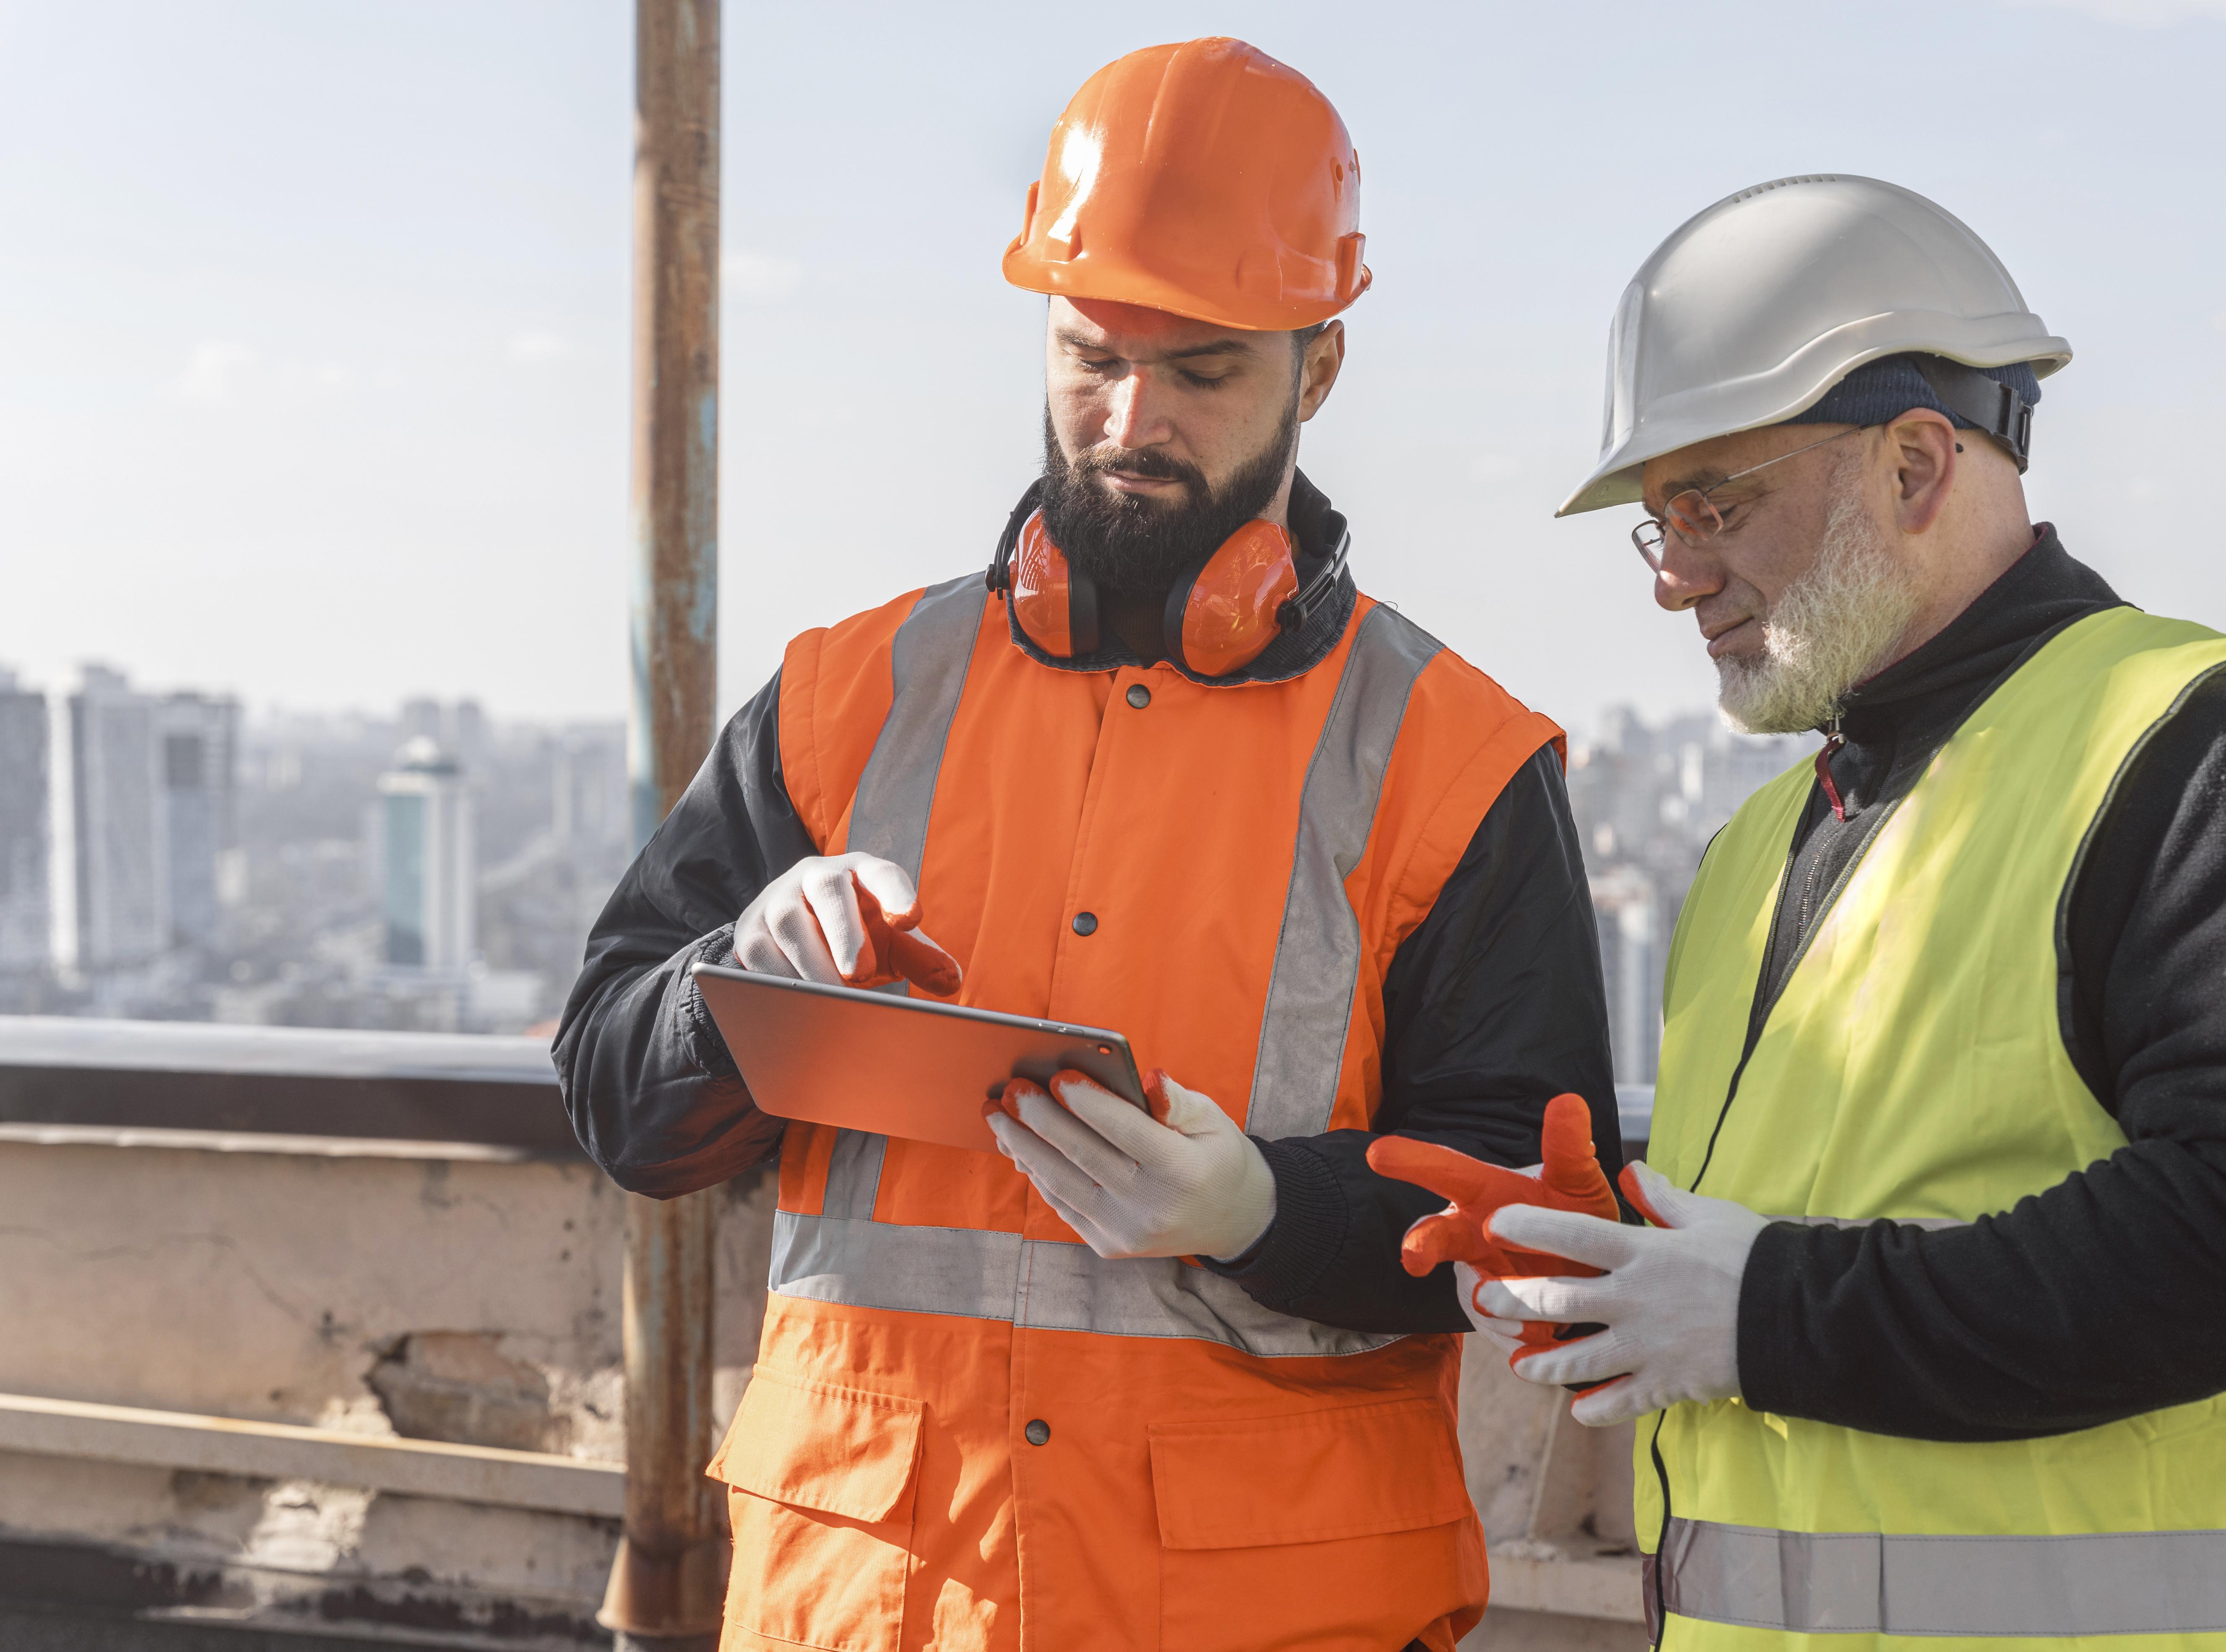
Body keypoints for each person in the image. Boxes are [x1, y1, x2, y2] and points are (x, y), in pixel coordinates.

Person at [552, 38, 1620, 1652]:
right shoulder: (846, 698)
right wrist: (729, 985)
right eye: (1089, 354)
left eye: (1203, 371)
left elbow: (1533, 1217)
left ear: (1318, 369)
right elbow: (619, 1101)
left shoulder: (1454, 759)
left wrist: (1260, 1206)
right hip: (876, 1603)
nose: (1134, 418)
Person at [1464, 174, 2226, 1649]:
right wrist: (1629, 1277)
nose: (1676, 577)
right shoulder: (1764, 847)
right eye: (1657, 520)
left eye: (1716, 503)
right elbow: (1859, 1207)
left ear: (1919, 465)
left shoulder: (2220, 763)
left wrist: (1761, 1312)